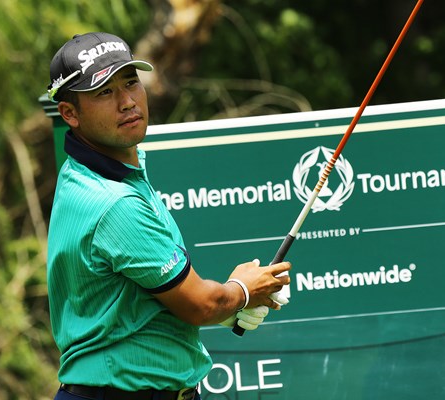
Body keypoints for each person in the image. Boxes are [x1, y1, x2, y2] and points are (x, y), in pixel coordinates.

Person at [45, 32, 291, 400]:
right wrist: (241, 291)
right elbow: (199, 304)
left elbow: (136, 303)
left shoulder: (85, 172)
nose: (127, 102)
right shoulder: (114, 202)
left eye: (130, 83)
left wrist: (232, 305)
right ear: (70, 114)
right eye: (104, 93)